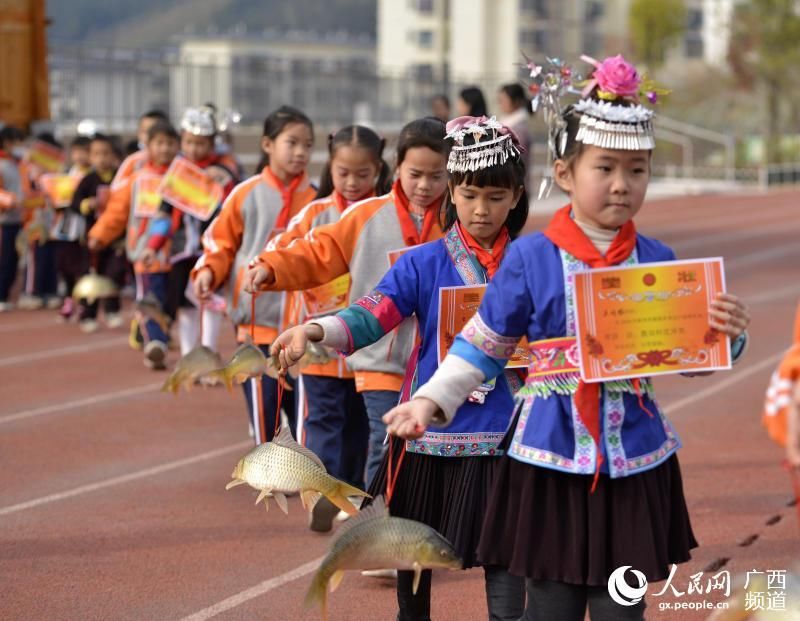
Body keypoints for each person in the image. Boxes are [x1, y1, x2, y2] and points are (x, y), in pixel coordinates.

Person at [383, 55, 752, 621]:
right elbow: (484, 342)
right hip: (548, 458)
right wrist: (431, 400)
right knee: (550, 607)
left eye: (637, 170)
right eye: (604, 168)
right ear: (564, 174)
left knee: (622, 610)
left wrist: (728, 335)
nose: (621, 185)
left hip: (633, 458)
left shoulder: (658, 260)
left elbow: (693, 361)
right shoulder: (532, 257)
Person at [270, 116, 529, 620]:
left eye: (496, 198)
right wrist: (316, 330)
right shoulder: (422, 262)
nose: (481, 209)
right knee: (414, 558)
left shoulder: (532, 262)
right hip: (426, 432)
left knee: (507, 554)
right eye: (471, 194)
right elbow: (373, 314)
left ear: (516, 198)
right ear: (453, 192)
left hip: (508, 430)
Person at [243, 117, 450, 489]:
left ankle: (407, 519)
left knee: (431, 446)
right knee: (385, 441)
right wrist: (271, 267)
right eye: (415, 173)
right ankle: (374, 521)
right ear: (398, 167)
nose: (424, 185)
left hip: (439, 361)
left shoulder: (457, 220)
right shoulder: (365, 216)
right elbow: (316, 252)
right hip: (380, 358)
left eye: (436, 176)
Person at [265, 124, 392, 532]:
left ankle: (349, 494)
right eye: (343, 174)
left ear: (379, 170)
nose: (353, 183)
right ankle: (322, 491)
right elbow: (284, 253)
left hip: (367, 349)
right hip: (318, 348)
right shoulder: (315, 215)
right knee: (322, 418)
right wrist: (267, 268)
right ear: (330, 167)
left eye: (363, 174)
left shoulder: (384, 215)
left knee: (359, 427)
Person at [192, 105, 317, 443]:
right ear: (267, 145)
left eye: (308, 145)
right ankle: (269, 469)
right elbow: (219, 243)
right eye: (292, 143)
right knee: (264, 407)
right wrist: (208, 272)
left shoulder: (317, 200)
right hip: (253, 323)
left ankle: (299, 467)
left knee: (300, 406)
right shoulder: (244, 194)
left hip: (300, 327)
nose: (301, 152)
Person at [142, 106, 237, 356]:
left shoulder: (224, 170)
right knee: (186, 304)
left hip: (211, 248)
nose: (194, 149)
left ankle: (208, 353)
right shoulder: (179, 172)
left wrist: (223, 181)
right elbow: (163, 213)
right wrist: (153, 246)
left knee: (210, 301)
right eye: (189, 142)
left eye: (201, 144)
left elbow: (235, 205)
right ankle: (188, 356)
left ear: (211, 143)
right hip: (180, 249)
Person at [89, 119, 180, 369]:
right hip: (144, 253)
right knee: (148, 299)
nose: (165, 149)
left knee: (171, 302)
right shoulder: (137, 179)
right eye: (159, 143)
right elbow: (117, 212)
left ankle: (162, 333)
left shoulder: (183, 177)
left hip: (178, 254)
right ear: (147, 146)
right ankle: (155, 343)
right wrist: (100, 234)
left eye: (170, 143)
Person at [68, 133, 125, 330]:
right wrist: (86, 205)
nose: (102, 158)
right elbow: (74, 204)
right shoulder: (87, 180)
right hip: (91, 238)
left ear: (114, 156)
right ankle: (87, 315)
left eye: (106, 153)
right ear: (90, 157)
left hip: (115, 238)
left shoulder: (121, 179)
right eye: (97, 154)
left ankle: (111, 311)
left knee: (113, 273)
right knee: (90, 274)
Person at [0, 125, 27, 312]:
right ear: (8, 142)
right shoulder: (2, 165)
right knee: (5, 259)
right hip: (3, 221)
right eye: (18, 142)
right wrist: (9, 200)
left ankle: (6, 294)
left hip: (18, 220)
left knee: (13, 260)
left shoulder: (18, 164)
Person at [112, 109, 169, 191]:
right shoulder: (132, 161)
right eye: (144, 132)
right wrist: (135, 178)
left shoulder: (177, 162)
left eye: (153, 132)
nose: (147, 137)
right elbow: (115, 189)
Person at [497, 83, 532, 173]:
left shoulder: (519, 128)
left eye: (503, 100)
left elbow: (514, 159)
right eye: (500, 100)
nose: (500, 104)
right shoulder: (508, 123)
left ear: (516, 101)